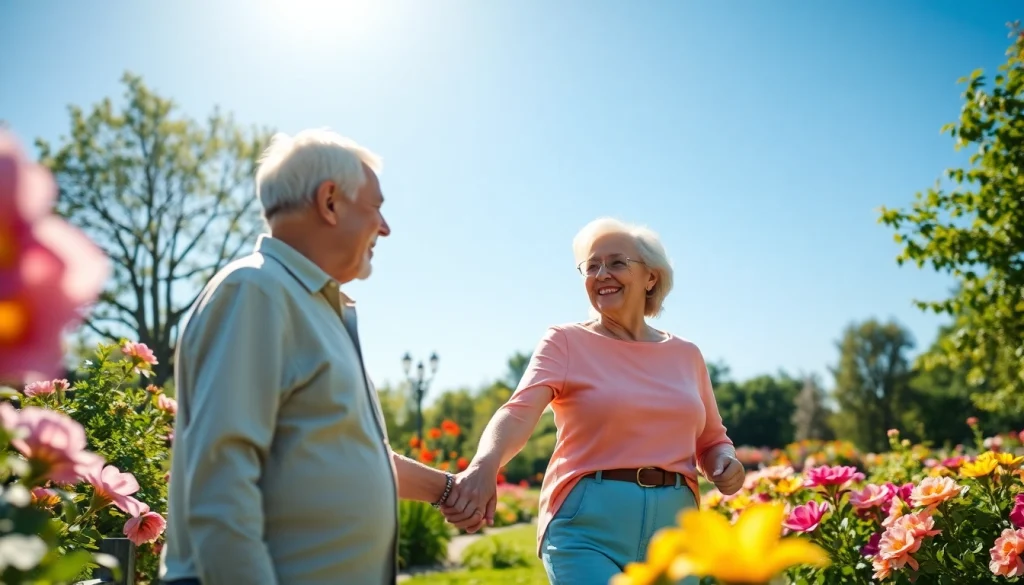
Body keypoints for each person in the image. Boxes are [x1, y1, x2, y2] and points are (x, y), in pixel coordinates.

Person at [160, 129, 475, 585]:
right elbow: (221, 480)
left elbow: (340, 450)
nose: (385, 228)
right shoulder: (255, 292)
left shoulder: (311, 305)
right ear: (330, 202)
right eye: (377, 207)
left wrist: (446, 490)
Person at [441, 218, 746, 584]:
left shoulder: (686, 354)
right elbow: (519, 412)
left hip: (676, 535)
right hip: (586, 531)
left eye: (617, 263)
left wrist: (724, 463)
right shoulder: (565, 341)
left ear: (651, 277)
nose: (602, 274)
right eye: (592, 266)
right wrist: (484, 465)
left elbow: (712, 441)